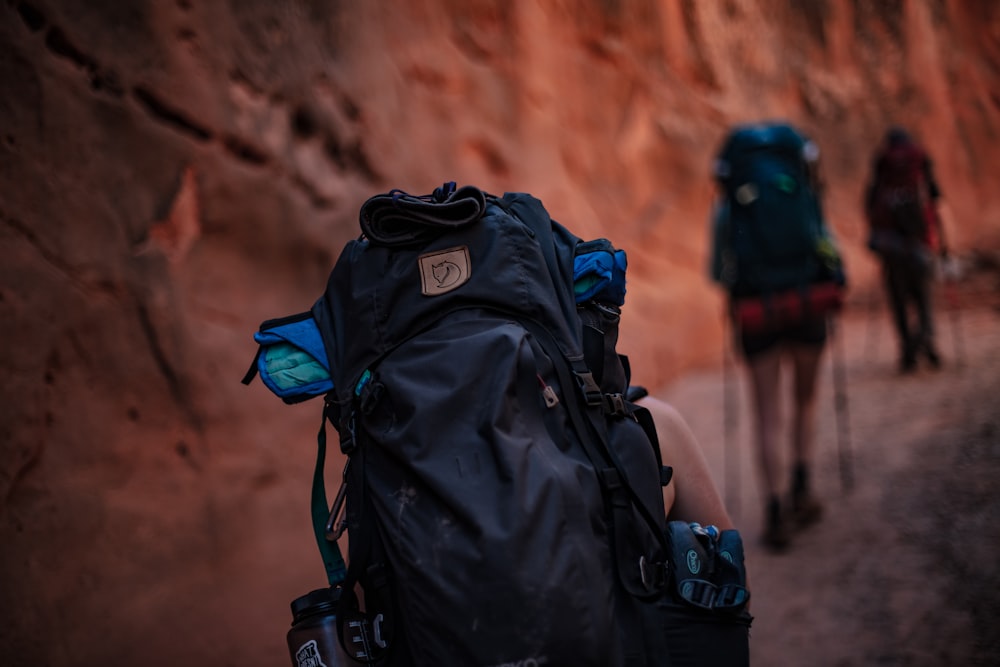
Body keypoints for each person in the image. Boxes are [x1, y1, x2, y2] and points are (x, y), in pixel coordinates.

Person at [708, 122, 842, 551]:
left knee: (767, 412)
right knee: (805, 398)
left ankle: (774, 509)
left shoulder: (729, 205)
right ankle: (802, 487)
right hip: (806, 304)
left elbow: (716, 270)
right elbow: (826, 246)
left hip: (756, 312)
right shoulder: (801, 188)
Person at [864, 126, 948, 373]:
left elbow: (870, 203)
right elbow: (934, 197)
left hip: (892, 249)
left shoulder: (882, 164)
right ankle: (927, 343)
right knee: (923, 297)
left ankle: (907, 350)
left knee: (898, 300)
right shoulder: (920, 162)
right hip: (920, 243)